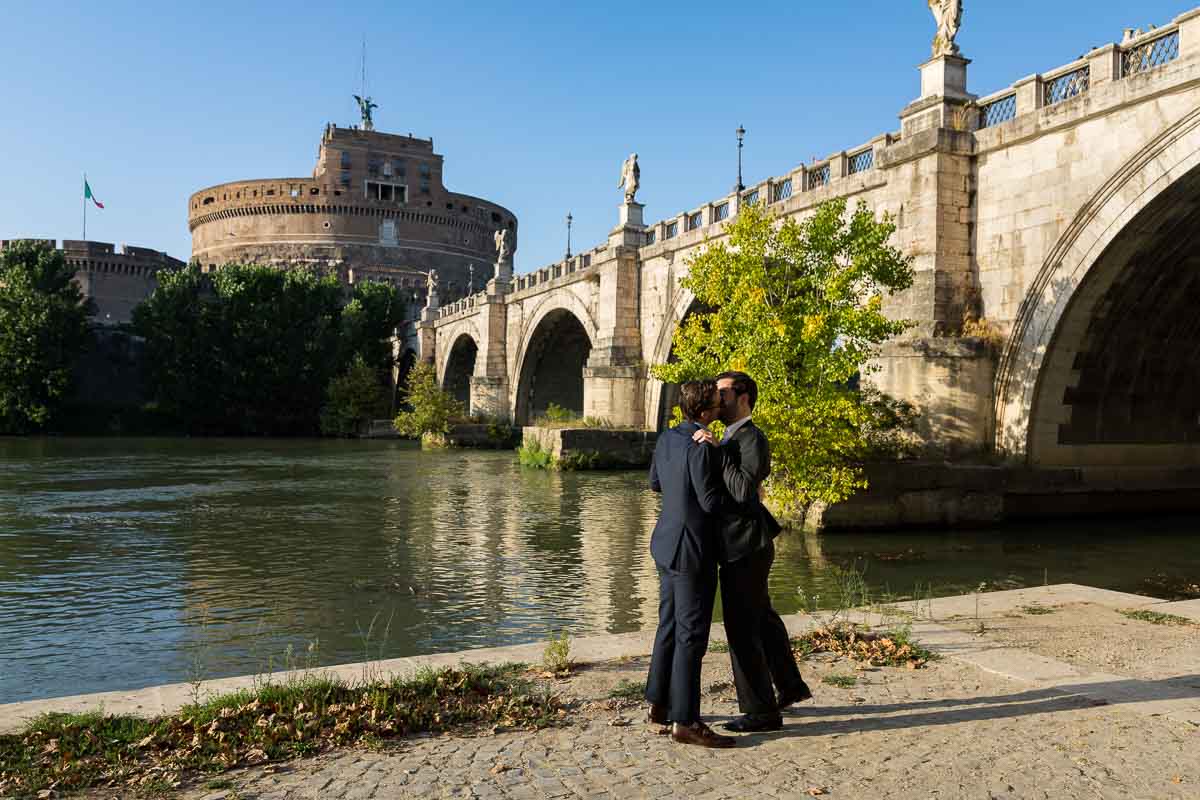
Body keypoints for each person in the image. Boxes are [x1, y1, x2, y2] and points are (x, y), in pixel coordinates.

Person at [695, 371, 812, 732]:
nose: (716, 398)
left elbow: (744, 491)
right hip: (744, 542)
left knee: (742, 628)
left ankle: (761, 712)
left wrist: (718, 453)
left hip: (746, 546)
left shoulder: (751, 438)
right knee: (762, 618)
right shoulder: (733, 437)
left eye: (723, 392)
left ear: (743, 397)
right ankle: (790, 687)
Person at [644, 379, 735, 748]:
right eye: (717, 404)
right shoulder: (702, 448)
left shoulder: (667, 438)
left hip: (665, 543)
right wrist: (744, 498)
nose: (721, 408)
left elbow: (654, 483)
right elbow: (712, 502)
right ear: (704, 412)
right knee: (691, 635)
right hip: (692, 549)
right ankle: (686, 720)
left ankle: (659, 704)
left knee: (668, 625)